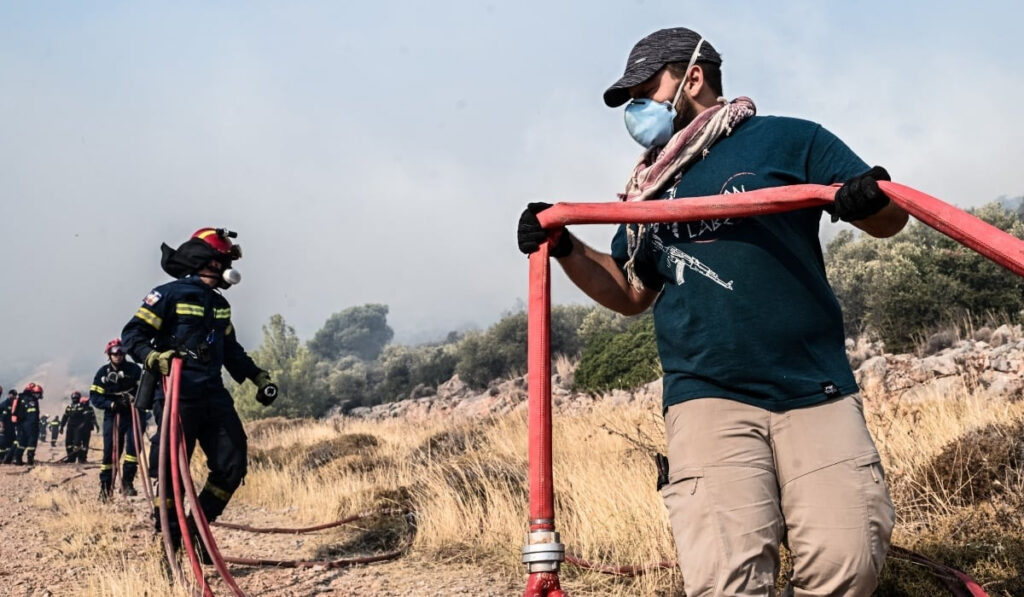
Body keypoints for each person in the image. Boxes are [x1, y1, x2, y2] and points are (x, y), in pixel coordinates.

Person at [517, 27, 905, 596]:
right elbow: (630, 293)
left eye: (646, 92)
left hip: (814, 386)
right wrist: (567, 247)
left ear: (692, 78)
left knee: (849, 562)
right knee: (727, 578)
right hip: (707, 397)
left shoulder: (790, 140)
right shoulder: (647, 189)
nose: (636, 111)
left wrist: (868, 200)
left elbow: (890, 217)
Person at [121, 227, 276, 552]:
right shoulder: (167, 294)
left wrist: (258, 377)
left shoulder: (220, 305)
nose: (228, 268)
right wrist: (153, 358)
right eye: (225, 259)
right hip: (177, 396)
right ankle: (170, 545)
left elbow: (231, 351)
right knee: (172, 474)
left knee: (232, 465)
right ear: (211, 262)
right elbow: (132, 334)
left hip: (213, 396)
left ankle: (195, 530)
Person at [90, 338, 142, 499]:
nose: (118, 355)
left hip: (133, 413)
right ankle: (106, 489)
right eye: (114, 352)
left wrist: (134, 399)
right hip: (113, 415)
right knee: (110, 453)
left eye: (121, 352)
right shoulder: (102, 373)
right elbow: (95, 397)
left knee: (133, 449)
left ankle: (127, 483)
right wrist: (111, 404)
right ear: (109, 354)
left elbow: (145, 389)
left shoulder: (134, 370)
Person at [60, 391, 97, 463]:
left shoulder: (83, 406)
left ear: (79, 398)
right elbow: (65, 417)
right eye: (73, 398)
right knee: (68, 443)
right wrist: (61, 426)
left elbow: (87, 417)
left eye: (76, 398)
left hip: (78, 427)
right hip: (70, 427)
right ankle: (70, 458)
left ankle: (81, 458)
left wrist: (83, 425)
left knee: (77, 443)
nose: (75, 399)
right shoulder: (69, 407)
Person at [11, 383, 43, 465]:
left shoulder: (23, 398)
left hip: (22, 425)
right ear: (34, 393)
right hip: (30, 425)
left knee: (22, 442)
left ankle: (17, 459)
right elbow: (33, 415)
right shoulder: (32, 401)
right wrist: (35, 426)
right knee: (32, 443)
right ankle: (30, 460)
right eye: (38, 394)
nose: (39, 396)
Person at [0, 388, 14, 463]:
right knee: (2, 442)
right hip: (3, 425)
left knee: (8, 442)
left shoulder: (10, 404)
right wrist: (2, 425)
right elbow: (2, 416)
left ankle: (6, 457)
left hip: (9, 426)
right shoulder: (5, 404)